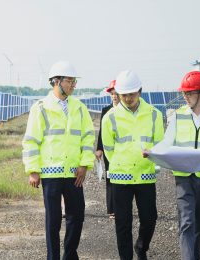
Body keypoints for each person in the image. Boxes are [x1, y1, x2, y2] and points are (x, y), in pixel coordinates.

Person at [22, 61, 95, 260]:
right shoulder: (41, 108)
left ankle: (69, 255)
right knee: (53, 221)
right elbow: (31, 141)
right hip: (51, 173)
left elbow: (88, 137)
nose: (73, 85)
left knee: (77, 216)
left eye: (74, 81)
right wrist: (33, 170)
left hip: (74, 173)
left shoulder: (79, 108)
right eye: (70, 81)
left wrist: (84, 164)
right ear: (56, 81)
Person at [155, 71, 200, 260]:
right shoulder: (178, 116)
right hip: (183, 176)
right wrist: (152, 151)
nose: (185, 97)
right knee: (187, 222)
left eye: (189, 93)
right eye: (184, 93)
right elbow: (166, 142)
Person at [101, 70, 164, 260]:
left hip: (145, 175)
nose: (128, 98)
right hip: (121, 178)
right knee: (122, 224)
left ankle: (141, 247)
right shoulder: (110, 117)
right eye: (124, 94)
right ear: (119, 94)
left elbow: (160, 144)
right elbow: (109, 149)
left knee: (149, 219)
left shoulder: (154, 114)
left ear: (140, 91)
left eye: (131, 94)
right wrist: (123, 163)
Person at [96, 80, 120, 219]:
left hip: (122, 150)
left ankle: (121, 206)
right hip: (108, 149)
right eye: (112, 94)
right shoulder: (105, 110)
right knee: (110, 177)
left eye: (116, 94)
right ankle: (112, 209)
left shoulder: (126, 111)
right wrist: (99, 148)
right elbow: (102, 131)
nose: (114, 96)